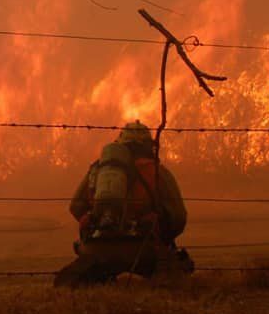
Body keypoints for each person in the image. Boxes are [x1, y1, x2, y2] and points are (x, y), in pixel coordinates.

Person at [54, 120, 193, 287]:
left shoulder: (98, 169)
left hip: (97, 250)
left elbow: (75, 207)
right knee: (182, 268)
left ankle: (96, 273)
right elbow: (179, 217)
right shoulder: (157, 172)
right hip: (144, 251)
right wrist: (161, 234)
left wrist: (97, 219)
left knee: (86, 273)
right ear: (149, 146)